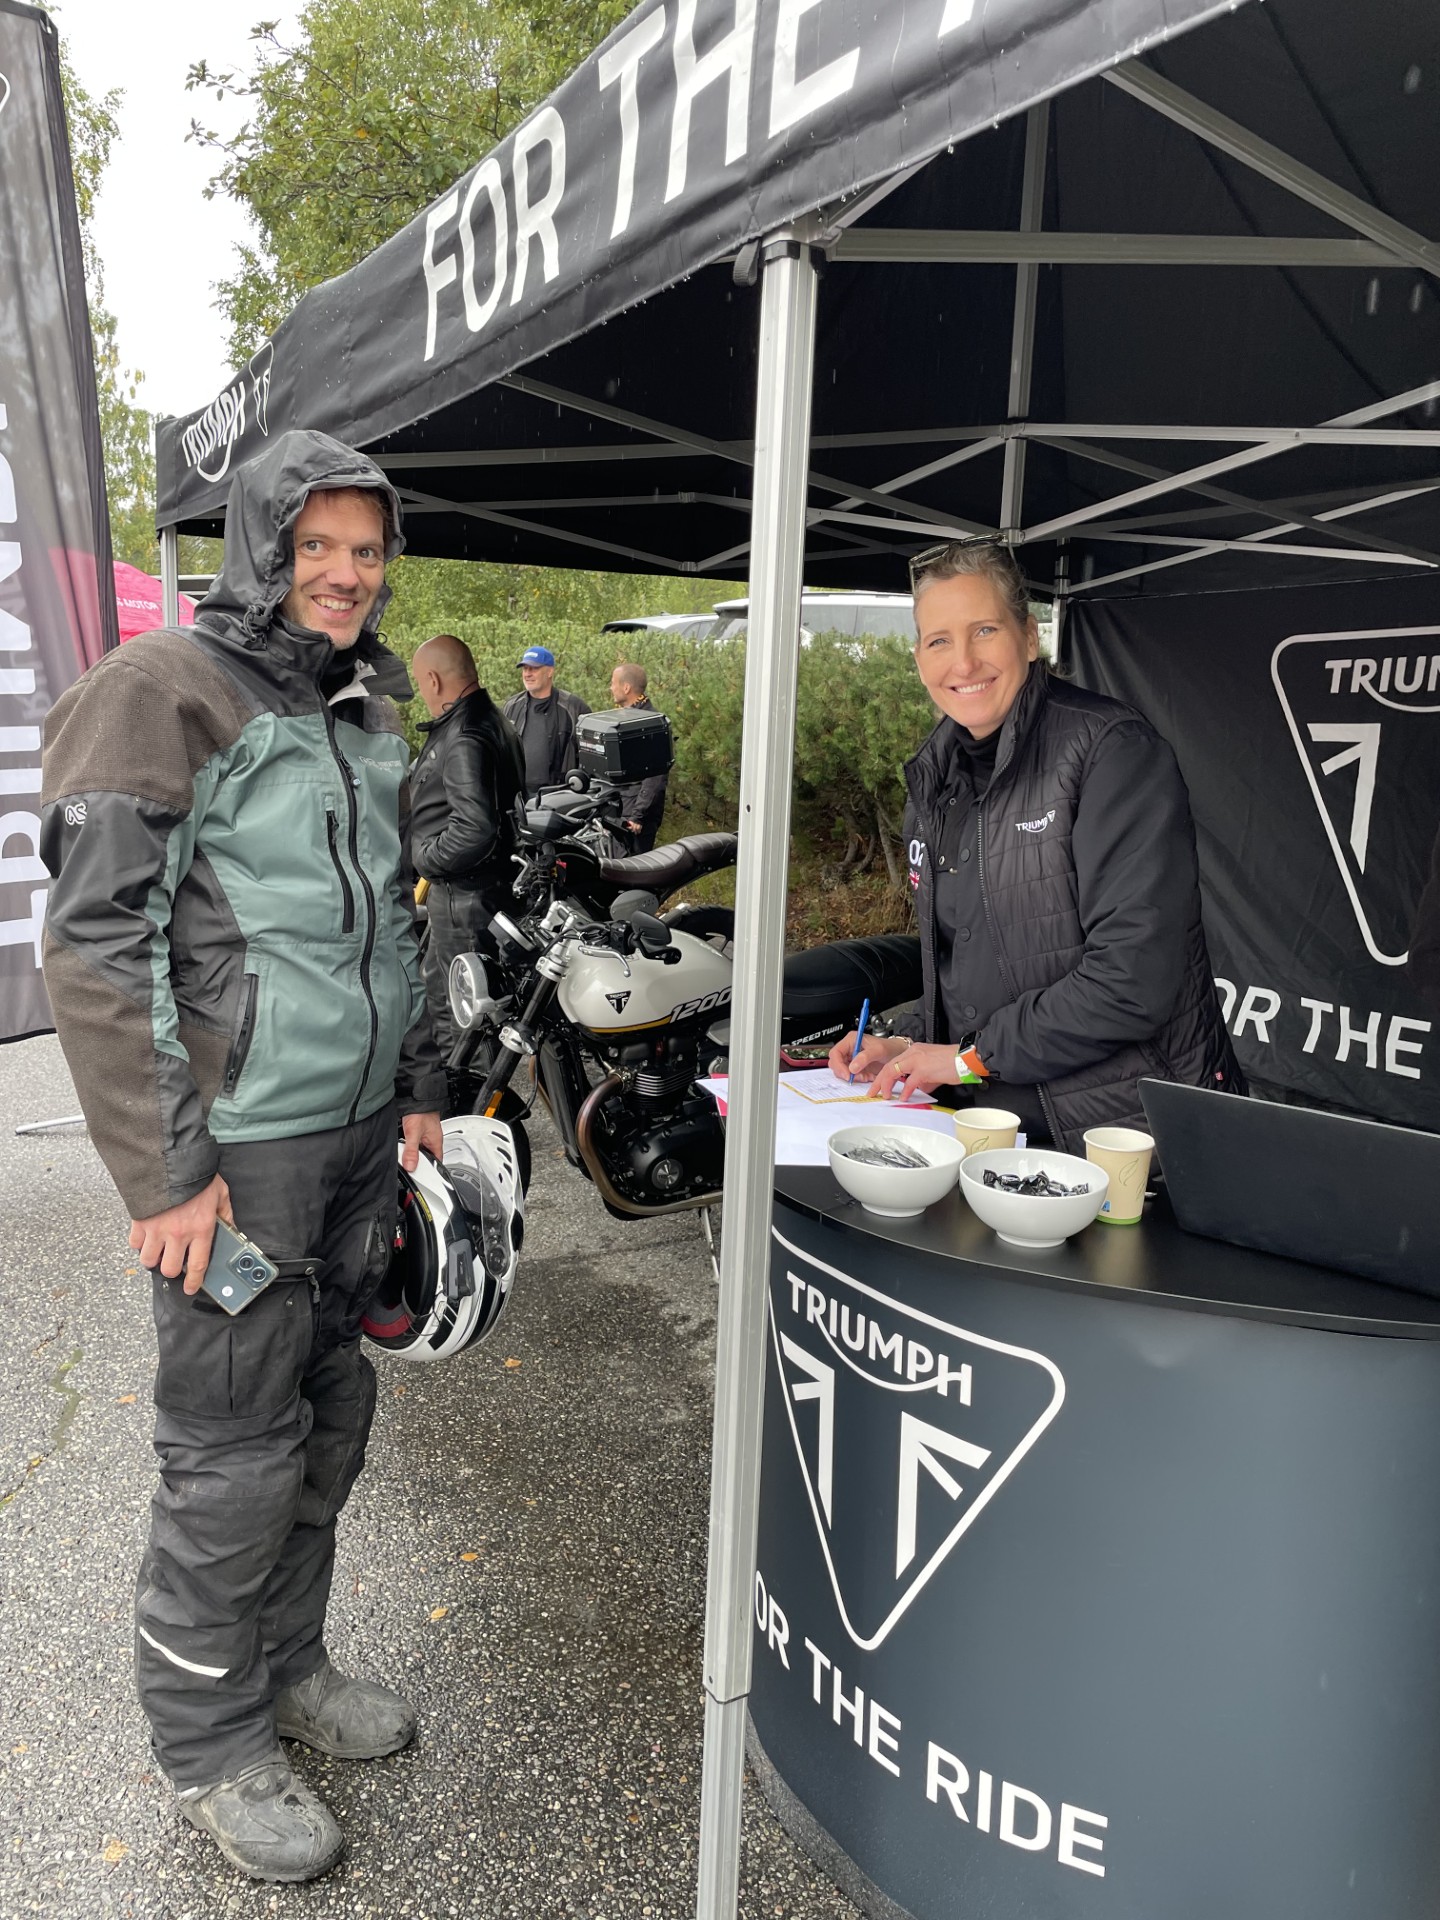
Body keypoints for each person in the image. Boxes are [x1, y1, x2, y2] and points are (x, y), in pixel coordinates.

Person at [40, 430, 446, 1884]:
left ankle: (290, 1668)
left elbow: (385, 911)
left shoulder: (361, 702)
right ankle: (208, 1743)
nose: (346, 575)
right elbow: (93, 944)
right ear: (264, 546)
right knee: (228, 1454)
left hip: (349, 1143)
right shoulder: (162, 693)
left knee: (329, 1416)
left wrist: (412, 1085)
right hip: (237, 1149)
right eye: (319, 546)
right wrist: (164, 1175)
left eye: (367, 549)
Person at [829, 540, 1239, 1150]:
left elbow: (1131, 981)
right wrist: (907, 1040)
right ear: (918, 658)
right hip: (989, 1134)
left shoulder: (1110, 751)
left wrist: (970, 1059)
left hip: (1127, 1141)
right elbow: (969, 974)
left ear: (1027, 637)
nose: (962, 662)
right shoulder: (934, 776)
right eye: (939, 640)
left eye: (984, 630)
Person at [409, 633, 524, 1074]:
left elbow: (474, 830)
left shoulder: (464, 735)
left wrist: (424, 859)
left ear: (434, 680)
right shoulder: (494, 719)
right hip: (478, 893)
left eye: (421, 684)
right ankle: (464, 1099)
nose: (422, 693)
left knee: (463, 1015)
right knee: (461, 1002)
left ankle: (468, 1112)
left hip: (464, 898)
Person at [501, 645, 590, 797]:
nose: (527, 674)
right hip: (519, 796)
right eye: (525, 669)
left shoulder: (573, 707)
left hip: (559, 796)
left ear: (549, 671)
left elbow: (590, 756)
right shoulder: (511, 706)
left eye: (533, 669)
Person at [609, 661, 668, 852]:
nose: (610, 688)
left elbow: (656, 777)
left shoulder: (651, 723)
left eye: (613, 683)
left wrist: (637, 816)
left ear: (626, 687)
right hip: (621, 806)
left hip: (637, 818)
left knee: (635, 871)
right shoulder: (625, 718)